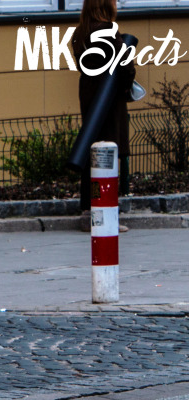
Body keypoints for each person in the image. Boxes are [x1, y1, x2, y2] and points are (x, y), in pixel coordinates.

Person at [72, 0, 136, 231]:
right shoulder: (108, 30)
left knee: (92, 153)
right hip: (109, 98)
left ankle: (89, 210)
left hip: (90, 95)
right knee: (109, 154)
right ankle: (106, 214)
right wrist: (128, 86)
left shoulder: (81, 32)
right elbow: (125, 63)